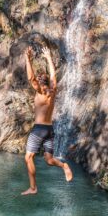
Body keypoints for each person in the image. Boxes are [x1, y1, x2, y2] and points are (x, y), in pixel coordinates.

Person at [21, 46, 73, 196]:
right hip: (50, 130)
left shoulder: (40, 92)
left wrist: (28, 59)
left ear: (38, 82)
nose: (34, 82)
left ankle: (33, 187)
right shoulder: (53, 90)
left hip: (39, 130)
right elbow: (53, 77)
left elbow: (31, 78)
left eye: (36, 81)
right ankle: (64, 166)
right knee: (49, 160)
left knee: (28, 157)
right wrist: (49, 58)